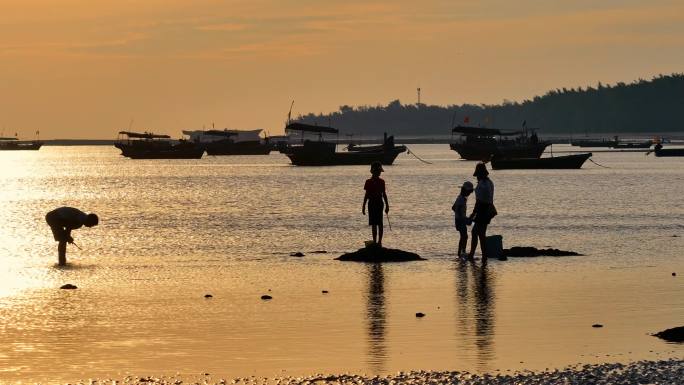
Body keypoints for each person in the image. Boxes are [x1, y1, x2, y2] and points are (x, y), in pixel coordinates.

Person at [467, 163, 495, 262]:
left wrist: (472, 215)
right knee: (479, 233)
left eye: (477, 175)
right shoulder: (490, 182)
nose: (477, 177)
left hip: (483, 210)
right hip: (489, 210)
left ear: (479, 174)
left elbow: (478, 202)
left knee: (477, 233)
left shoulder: (481, 185)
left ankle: (477, 255)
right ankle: (482, 255)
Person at [362, 161, 389, 247]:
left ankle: (379, 242)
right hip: (372, 203)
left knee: (379, 223)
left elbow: (384, 194)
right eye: (378, 171)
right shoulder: (368, 182)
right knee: (374, 223)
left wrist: (387, 205)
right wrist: (363, 205)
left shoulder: (382, 181)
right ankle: (375, 241)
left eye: (380, 171)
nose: (380, 173)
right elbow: (367, 195)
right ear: (374, 171)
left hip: (379, 203)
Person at [452, 181, 474, 258]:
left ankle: (460, 252)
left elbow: (453, 207)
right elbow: (457, 209)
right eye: (469, 192)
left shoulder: (460, 198)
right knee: (464, 236)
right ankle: (462, 252)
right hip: (460, 220)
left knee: (463, 236)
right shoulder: (461, 199)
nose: (469, 194)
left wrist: (459, 215)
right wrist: (464, 218)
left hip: (458, 219)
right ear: (465, 191)